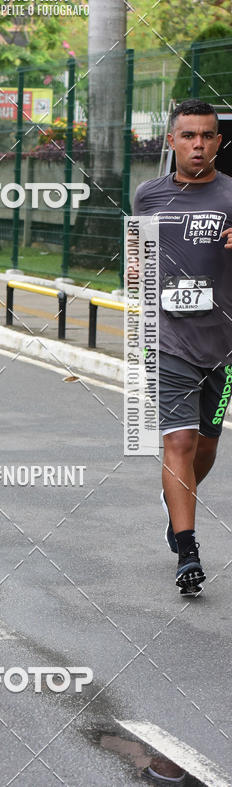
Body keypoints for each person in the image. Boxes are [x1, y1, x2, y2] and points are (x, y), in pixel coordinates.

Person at [133, 99, 232, 595]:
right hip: (166, 341)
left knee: (206, 447)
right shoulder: (148, 196)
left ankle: (175, 501)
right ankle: (188, 549)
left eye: (208, 136)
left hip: (222, 346)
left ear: (218, 142)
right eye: (188, 135)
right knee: (180, 442)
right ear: (171, 141)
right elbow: (139, 255)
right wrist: (135, 270)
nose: (198, 144)